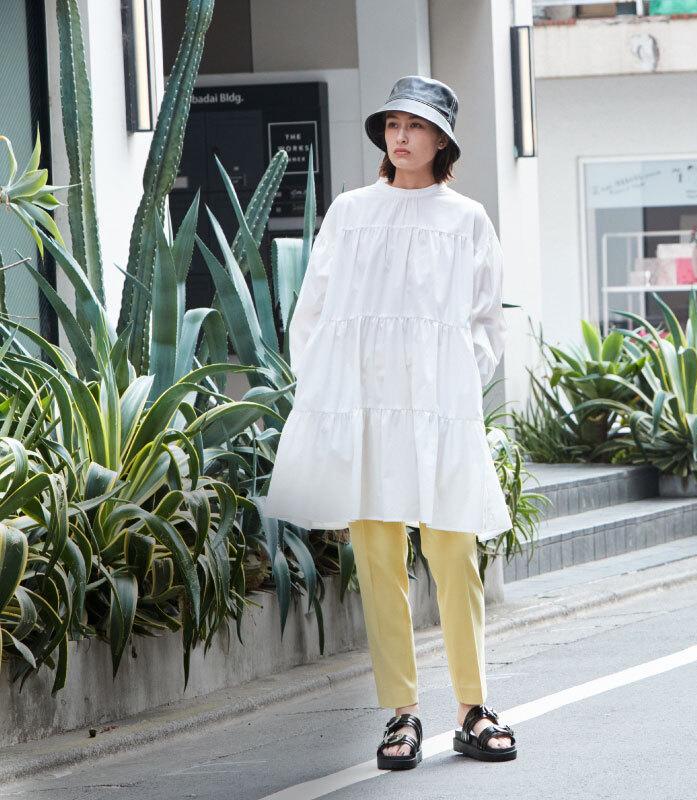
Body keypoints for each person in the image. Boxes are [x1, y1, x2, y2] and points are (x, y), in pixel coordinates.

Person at [261, 75, 517, 771]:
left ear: (442, 141)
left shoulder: (467, 219)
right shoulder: (350, 212)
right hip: (368, 411)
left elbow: (487, 321)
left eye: (417, 126)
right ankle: (401, 713)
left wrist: (454, 376)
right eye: (393, 125)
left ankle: (473, 707)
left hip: (439, 412)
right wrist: (329, 395)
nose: (401, 137)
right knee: (378, 561)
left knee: (454, 554)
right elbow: (313, 310)